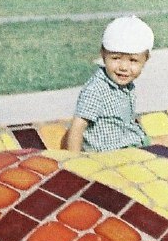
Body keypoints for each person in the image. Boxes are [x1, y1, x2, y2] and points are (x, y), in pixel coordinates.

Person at [63, 15, 153, 153]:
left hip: (127, 144)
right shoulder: (96, 89)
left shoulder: (125, 86)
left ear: (145, 60)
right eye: (116, 58)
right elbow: (78, 126)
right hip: (108, 154)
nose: (123, 67)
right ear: (103, 55)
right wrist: (73, 161)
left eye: (133, 60)